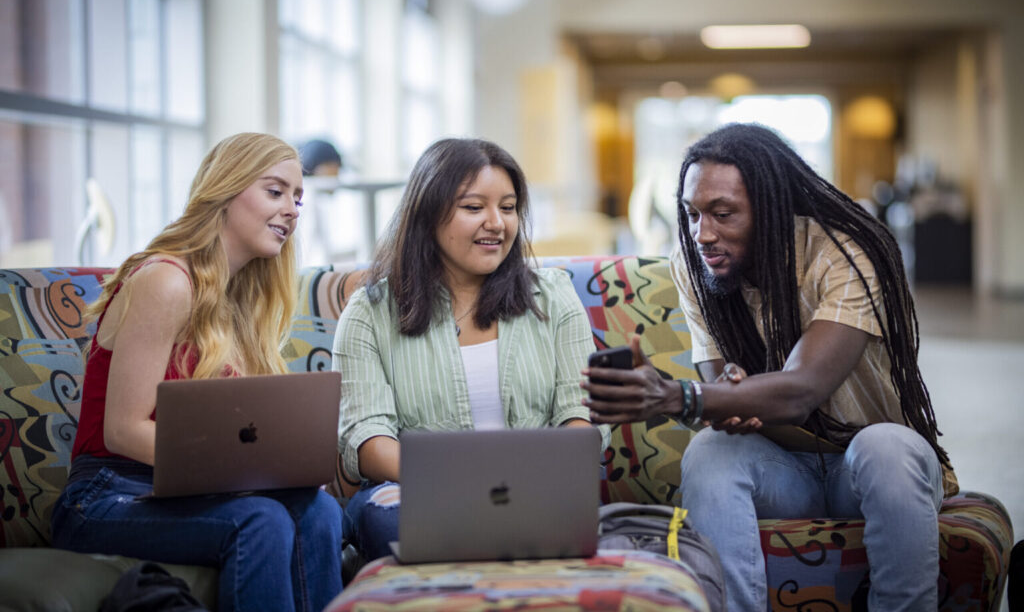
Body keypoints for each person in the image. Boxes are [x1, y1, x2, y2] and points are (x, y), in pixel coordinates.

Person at [583, 123, 956, 611]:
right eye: (692, 214)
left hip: (870, 466)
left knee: (884, 445)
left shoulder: (842, 254)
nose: (703, 233)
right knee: (711, 452)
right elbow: (724, 398)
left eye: (723, 214)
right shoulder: (696, 265)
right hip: (785, 472)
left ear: (773, 210)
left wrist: (677, 395)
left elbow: (803, 390)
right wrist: (728, 399)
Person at [51, 132, 343, 612]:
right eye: (276, 192)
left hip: (182, 488)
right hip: (106, 492)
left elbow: (243, 435)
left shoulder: (242, 301)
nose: (292, 209)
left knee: (322, 512)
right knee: (261, 519)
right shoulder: (166, 281)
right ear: (225, 193)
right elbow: (123, 431)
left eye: (298, 198)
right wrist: (245, 474)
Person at [332, 137, 608, 561]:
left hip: (535, 488)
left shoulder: (552, 296)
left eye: (509, 207)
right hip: (421, 493)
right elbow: (367, 439)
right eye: (474, 207)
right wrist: (464, 485)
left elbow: (581, 413)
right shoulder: (370, 312)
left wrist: (536, 481)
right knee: (384, 516)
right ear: (428, 213)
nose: (497, 223)